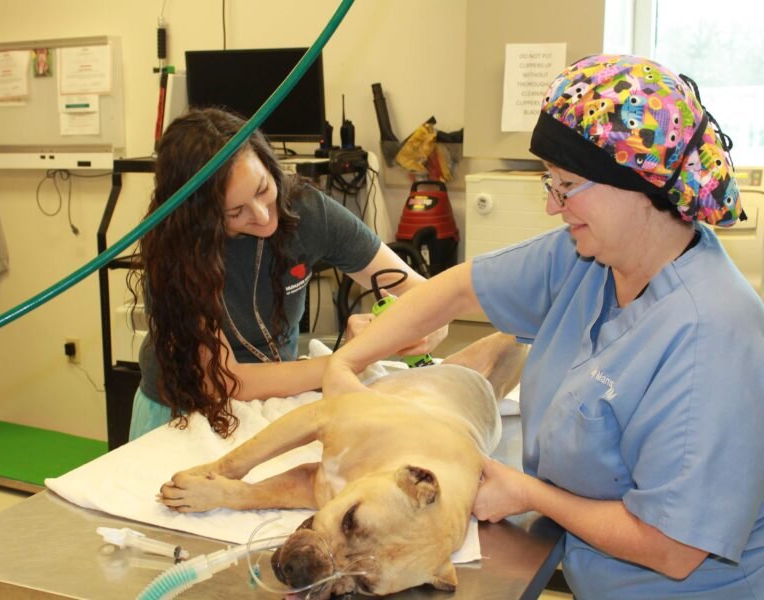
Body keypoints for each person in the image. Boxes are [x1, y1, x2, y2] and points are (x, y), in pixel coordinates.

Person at [323, 54, 764, 598]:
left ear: (640, 185)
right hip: (589, 572)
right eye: (549, 184)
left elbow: (674, 549)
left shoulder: (712, 339)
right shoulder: (590, 256)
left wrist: (530, 494)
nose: (555, 208)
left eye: (568, 185)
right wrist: (347, 362)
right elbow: (460, 287)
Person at [128, 108, 446, 440]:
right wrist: (353, 357)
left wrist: (415, 327)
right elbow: (224, 381)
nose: (263, 216)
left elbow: (428, 298)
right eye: (236, 212)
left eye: (263, 189)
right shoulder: (176, 249)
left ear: (268, 163)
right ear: (201, 217)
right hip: (183, 416)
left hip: (279, 401)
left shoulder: (308, 211)